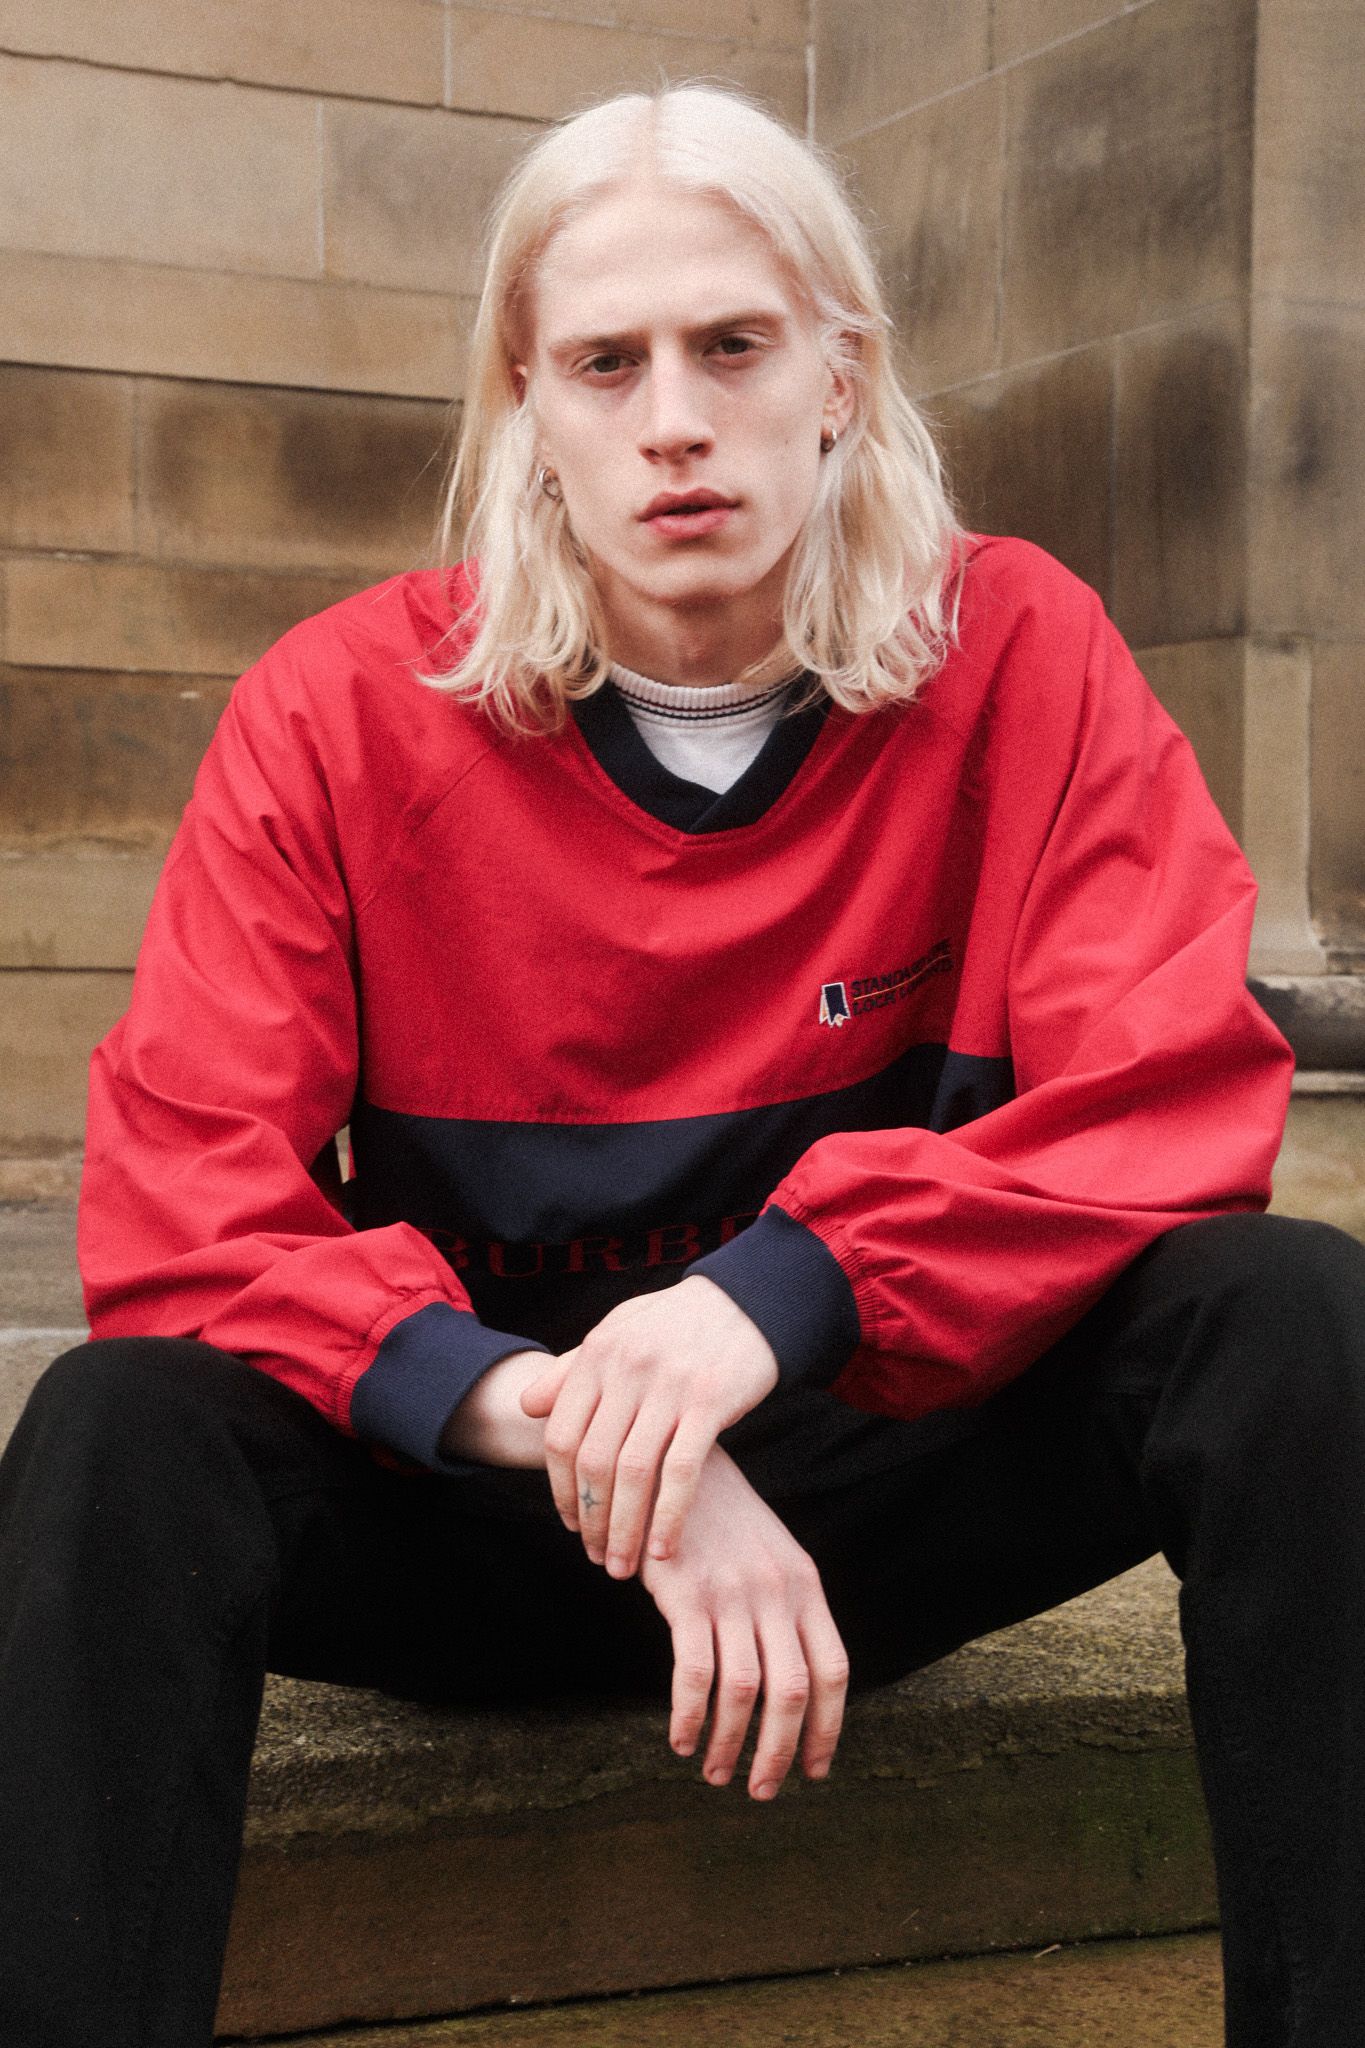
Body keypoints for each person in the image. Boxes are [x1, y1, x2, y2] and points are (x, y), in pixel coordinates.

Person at [1, 80, 1362, 2048]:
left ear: (838, 374)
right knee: (112, 1432)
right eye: (603, 361)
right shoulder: (335, 711)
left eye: (731, 345)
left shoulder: (1019, 651)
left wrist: (764, 1305)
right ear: (523, 403)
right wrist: (596, 1439)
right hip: (480, 1496)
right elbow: (183, 1208)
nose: (670, 420)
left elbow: (1164, 1094)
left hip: (869, 1478)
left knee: (1294, 1317)